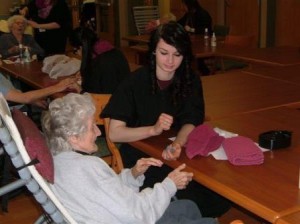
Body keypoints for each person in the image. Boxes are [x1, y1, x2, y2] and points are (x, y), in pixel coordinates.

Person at [101, 21, 231, 217]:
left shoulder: (189, 79)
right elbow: (115, 132)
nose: (170, 61)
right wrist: (152, 130)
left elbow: (192, 120)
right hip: (142, 158)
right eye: (164, 53)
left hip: (178, 154)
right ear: (153, 51)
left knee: (219, 196)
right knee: (188, 198)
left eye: (177, 55)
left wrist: (178, 143)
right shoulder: (135, 82)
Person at [42, 93, 218, 224]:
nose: (97, 132)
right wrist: (169, 184)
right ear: (73, 137)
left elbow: (104, 194)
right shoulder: (88, 166)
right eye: (91, 128)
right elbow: (137, 215)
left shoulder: (60, 162)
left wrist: (132, 175)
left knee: (187, 206)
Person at [69, 27, 130, 94]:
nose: (77, 54)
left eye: (75, 51)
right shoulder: (115, 51)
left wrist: (79, 89)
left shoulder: (97, 63)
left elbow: (95, 97)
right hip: (125, 96)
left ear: (81, 47)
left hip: (109, 101)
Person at [0, 72, 78, 109]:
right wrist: (58, 87)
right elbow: (24, 98)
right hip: (15, 113)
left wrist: (32, 100)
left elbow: (14, 94)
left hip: (16, 104)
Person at [178, 0, 213, 75]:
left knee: (195, 57)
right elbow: (179, 23)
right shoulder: (189, 15)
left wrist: (191, 29)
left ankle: (206, 74)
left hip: (204, 43)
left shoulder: (203, 14)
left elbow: (207, 30)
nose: (183, 7)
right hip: (194, 42)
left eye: (184, 5)